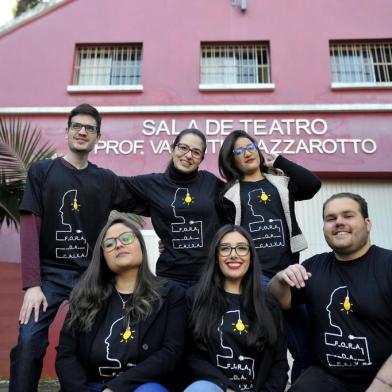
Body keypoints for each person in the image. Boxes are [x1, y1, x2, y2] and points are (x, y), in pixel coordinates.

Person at [10, 104, 142, 392]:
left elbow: (144, 201)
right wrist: (32, 284)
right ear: (67, 130)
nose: (83, 132)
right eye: (77, 126)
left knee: (87, 344)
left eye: (90, 129)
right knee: (30, 338)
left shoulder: (105, 179)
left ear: (98, 137)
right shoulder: (43, 171)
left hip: (90, 276)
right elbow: (30, 226)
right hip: (48, 276)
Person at [218, 130, 321, 381]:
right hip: (254, 278)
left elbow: (312, 184)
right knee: (263, 347)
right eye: (239, 151)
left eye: (250, 146)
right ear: (231, 160)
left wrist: (280, 162)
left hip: (289, 274)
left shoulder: (281, 183)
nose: (247, 153)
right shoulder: (228, 194)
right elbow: (220, 233)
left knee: (307, 349)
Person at [268, 193, 392, 392]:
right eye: (331, 218)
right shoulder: (314, 267)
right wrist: (281, 278)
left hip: (383, 379)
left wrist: (383, 384)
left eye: (348, 215)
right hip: (329, 377)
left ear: (367, 223)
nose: (339, 223)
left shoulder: (387, 265)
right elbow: (279, 301)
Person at [56, 211, 186, 392]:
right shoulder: (85, 296)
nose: (118, 245)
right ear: (103, 256)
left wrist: (114, 388)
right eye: (109, 244)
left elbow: (171, 353)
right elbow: (66, 355)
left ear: (140, 244)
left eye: (126, 238)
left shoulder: (171, 294)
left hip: (143, 386)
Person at [185, 224, 288, 392]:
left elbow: (279, 364)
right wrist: (226, 387)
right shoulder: (195, 298)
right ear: (216, 256)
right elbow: (189, 356)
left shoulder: (269, 305)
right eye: (225, 249)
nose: (234, 255)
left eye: (241, 248)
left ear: (251, 257)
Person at [121, 128, 224, 288]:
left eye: (196, 152)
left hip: (208, 277)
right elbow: (110, 185)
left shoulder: (210, 182)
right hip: (171, 277)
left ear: (202, 158)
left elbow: (238, 200)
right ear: (173, 148)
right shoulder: (152, 184)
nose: (189, 155)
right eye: (183, 148)